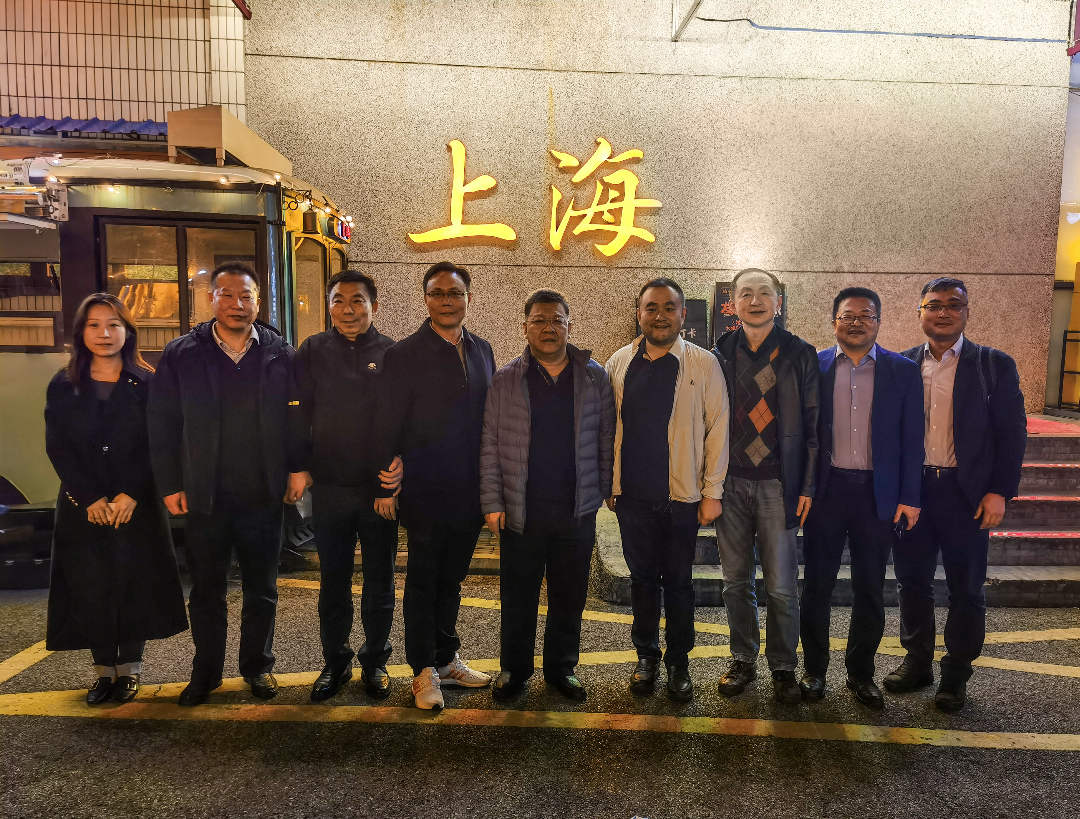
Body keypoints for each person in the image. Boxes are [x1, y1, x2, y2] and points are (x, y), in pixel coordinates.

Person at [148, 261, 305, 707]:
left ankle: (258, 667)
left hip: (263, 493)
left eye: (246, 296)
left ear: (259, 301)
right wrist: (170, 484)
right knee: (206, 591)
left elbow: (298, 417)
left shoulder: (280, 353)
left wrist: (298, 468)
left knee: (262, 589)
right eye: (227, 295)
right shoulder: (182, 353)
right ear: (211, 298)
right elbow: (162, 422)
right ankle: (206, 673)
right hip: (205, 495)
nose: (238, 304)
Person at [889, 277, 1026, 712]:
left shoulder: (992, 364)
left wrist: (999, 491)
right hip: (914, 492)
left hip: (966, 494)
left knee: (966, 587)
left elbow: (1012, 433)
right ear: (920, 313)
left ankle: (956, 673)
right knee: (912, 581)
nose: (943, 312)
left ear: (966, 312)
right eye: (934, 305)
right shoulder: (904, 364)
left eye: (953, 305)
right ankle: (917, 662)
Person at [44, 293, 187, 705]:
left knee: (134, 583)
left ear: (128, 332)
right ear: (81, 332)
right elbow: (58, 446)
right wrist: (89, 497)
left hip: (135, 504)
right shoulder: (64, 384)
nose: (104, 333)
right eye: (94, 325)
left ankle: (130, 670)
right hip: (83, 505)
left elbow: (160, 443)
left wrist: (131, 493)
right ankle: (103, 671)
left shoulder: (149, 382)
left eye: (113, 325)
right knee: (91, 585)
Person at [481, 289, 615, 702]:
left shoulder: (594, 376)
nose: (548, 328)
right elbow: (490, 443)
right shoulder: (506, 378)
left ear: (570, 326)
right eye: (539, 320)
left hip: (576, 508)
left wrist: (607, 489)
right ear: (525, 328)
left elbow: (607, 437)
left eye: (557, 320)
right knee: (517, 595)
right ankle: (514, 669)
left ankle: (562, 668)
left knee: (569, 595)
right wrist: (492, 502)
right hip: (522, 507)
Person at [373, 261, 496, 710]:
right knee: (424, 580)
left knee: (453, 579)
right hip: (424, 489)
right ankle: (423, 669)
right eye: (438, 293)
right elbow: (386, 421)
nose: (447, 301)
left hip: (469, 489)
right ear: (425, 299)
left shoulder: (482, 350)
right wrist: (385, 485)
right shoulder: (403, 354)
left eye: (455, 293)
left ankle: (446, 659)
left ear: (469, 298)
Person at [798, 288, 924, 709]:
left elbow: (913, 439)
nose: (856, 323)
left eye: (866, 316)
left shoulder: (902, 370)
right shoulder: (814, 367)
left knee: (870, 587)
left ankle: (860, 673)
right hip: (827, 491)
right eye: (847, 315)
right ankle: (814, 671)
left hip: (877, 494)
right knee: (817, 585)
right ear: (834, 321)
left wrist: (909, 495)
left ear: (878, 322)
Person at [605, 278, 729, 702]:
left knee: (678, 583)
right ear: (639, 313)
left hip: (683, 497)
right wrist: (610, 484)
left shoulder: (703, 363)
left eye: (669, 308)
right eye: (651, 308)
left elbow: (718, 430)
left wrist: (712, 492)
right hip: (633, 497)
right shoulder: (620, 361)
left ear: (683, 314)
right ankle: (646, 656)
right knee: (642, 581)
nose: (660, 316)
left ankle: (678, 662)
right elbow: (607, 429)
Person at [288, 270, 402, 702]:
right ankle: (335, 662)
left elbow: (401, 421)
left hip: (378, 492)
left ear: (375, 306)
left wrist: (393, 482)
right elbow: (297, 413)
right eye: (339, 300)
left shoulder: (392, 352)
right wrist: (300, 466)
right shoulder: (312, 350)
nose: (348, 309)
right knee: (332, 581)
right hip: (330, 488)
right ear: (329, 305)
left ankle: (375, 661)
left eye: (358, 301)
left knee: (380, 580)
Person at [710, 268, 819, 705]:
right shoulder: (719, 354)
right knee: (735, 581)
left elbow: (813, 426)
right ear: (732, 303)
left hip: (778, 483)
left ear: (778, 301)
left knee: (781, 586)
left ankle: (783, 665)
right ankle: (743, 658)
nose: (755, 301)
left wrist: (806, 485)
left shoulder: (799, 353)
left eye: (764, 293)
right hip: (730, 482)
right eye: (746, 294)